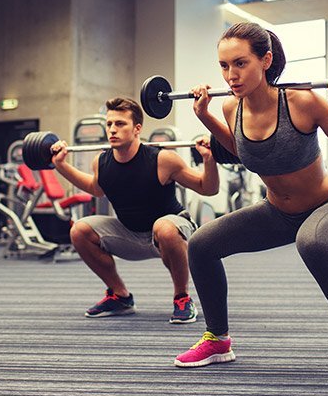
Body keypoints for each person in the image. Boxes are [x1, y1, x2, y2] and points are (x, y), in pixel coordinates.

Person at [171, 22, 328, 393]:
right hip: (278, 212)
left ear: (266, 60)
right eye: (223, 66)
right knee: (202, 243)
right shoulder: (230, 107)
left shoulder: (302, 102)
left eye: (240, 63)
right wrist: (205, 116)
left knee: (314, 243)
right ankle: (218, 339)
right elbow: (244, 153)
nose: (230, 75)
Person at [52, 97, 219, 324]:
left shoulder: (162, 159)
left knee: (165, 228)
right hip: (130, 233)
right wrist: (61, 165)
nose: (112, 130)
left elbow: (207, 189)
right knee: (79, 230)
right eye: (109, 124)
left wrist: (209, 160)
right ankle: (120, 295)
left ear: (137, 128)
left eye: (120, 124)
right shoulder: (101, 162)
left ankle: (182, 297)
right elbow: (95, 188)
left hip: (170, 231)